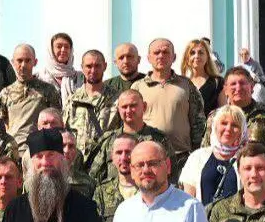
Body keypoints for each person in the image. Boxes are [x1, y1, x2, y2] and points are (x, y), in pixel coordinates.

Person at [210, 67, 265, 194]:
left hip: (259, 191)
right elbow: (207, 154)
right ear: (225, 89)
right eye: (233, 84)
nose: (238, 88)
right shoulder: (215, 118)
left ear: (252, 86)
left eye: (243, 83)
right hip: (222, 190)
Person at [132, 38, 206, 174]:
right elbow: (131, 122)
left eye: (166, 52)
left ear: (174, 57)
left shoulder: (186, 85)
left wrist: (196, 154)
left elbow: (198, 122)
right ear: (149, 57)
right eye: (156, 52)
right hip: (148, 159)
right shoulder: (138, 87)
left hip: (181, 159)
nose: (161, 56)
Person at [86, 89, 167, 185]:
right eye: (124, 107)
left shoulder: (159, 139)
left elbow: (170, 173)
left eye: (133, 106)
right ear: (118, 110)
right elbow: (94, 176)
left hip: (150, 196)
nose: (128, 110)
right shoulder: (108, 140)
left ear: (144, 107)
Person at [0, 43, 63, 152]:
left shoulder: (48, 90)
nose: (23, 65)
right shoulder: (5, 93)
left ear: (35, 62)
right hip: (13, 152)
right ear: (12, 62)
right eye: (19, 60)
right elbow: (2, 125)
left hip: (40, 151)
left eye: (27, 61)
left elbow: (56, 122)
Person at [180, 104, 246, 206]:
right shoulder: (197, 157)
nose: (228, 128)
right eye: (224, 123)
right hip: (202, 220)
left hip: (238, 221)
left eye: (235, 125)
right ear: (215, 127)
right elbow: (187, 199)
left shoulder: (249, 159)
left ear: (242, 131)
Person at [64, 49, 120, 163]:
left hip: (106, 164)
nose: (93, 70)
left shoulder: (117, 99)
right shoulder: (72, 100)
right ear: (82, 67)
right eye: (89, 66)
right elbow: (65, 132)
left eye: (97, 66)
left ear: (105, 66)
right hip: (77, 164)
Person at [92, 134, 140, 222]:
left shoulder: (150, 190)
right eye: (119, 152)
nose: (123, 157)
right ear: (112, 157)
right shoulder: (101, 192)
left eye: (128, 152)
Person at [35, 31, 83, 104]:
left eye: (66, 47)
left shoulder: (81, 78)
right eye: (59, 46)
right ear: (51, 50)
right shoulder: (39, 78)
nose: (63, 50)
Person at [181, 38, 223, 115]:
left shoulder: (217, 82)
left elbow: (223, 113)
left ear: (207, 57)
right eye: (192, 53)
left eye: (201, 53)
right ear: (187, 58)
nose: (196, 56)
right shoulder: (181, 84)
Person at [62, 128, 96, 198]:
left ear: (76, 152)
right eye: (62, 145)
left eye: (71, 146)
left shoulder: (87, 183)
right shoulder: (42, 179)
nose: (66, 150)